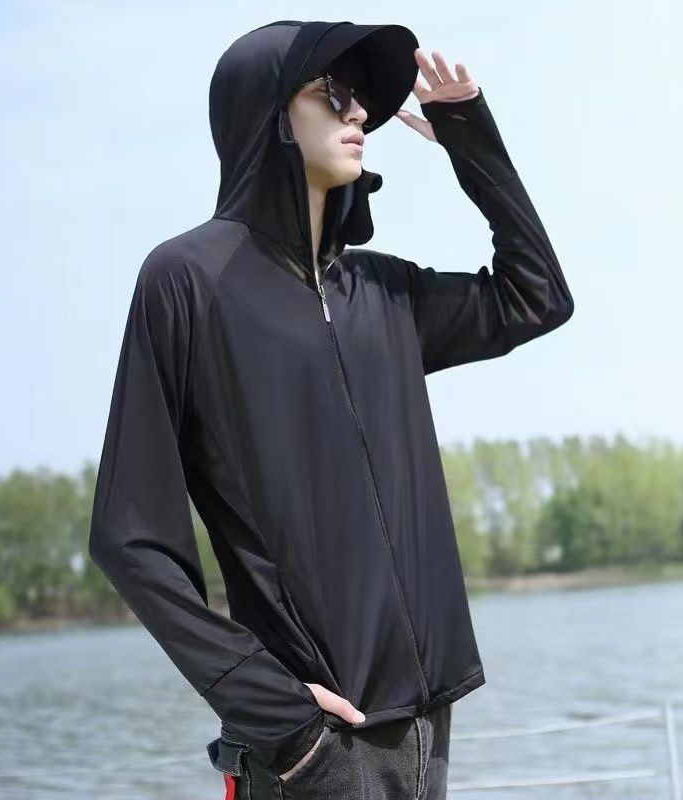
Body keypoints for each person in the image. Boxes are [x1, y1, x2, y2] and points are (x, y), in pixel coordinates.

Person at [88, 19, 574, 800]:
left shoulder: (382, 291)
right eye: (333, 92)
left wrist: (468, 136)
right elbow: (130, 536)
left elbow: (537, 296)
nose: (359, 113)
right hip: (312, 749)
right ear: (270, 111)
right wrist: (277, 714)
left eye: (361, 99)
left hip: (427, 729)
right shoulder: (188, 282)